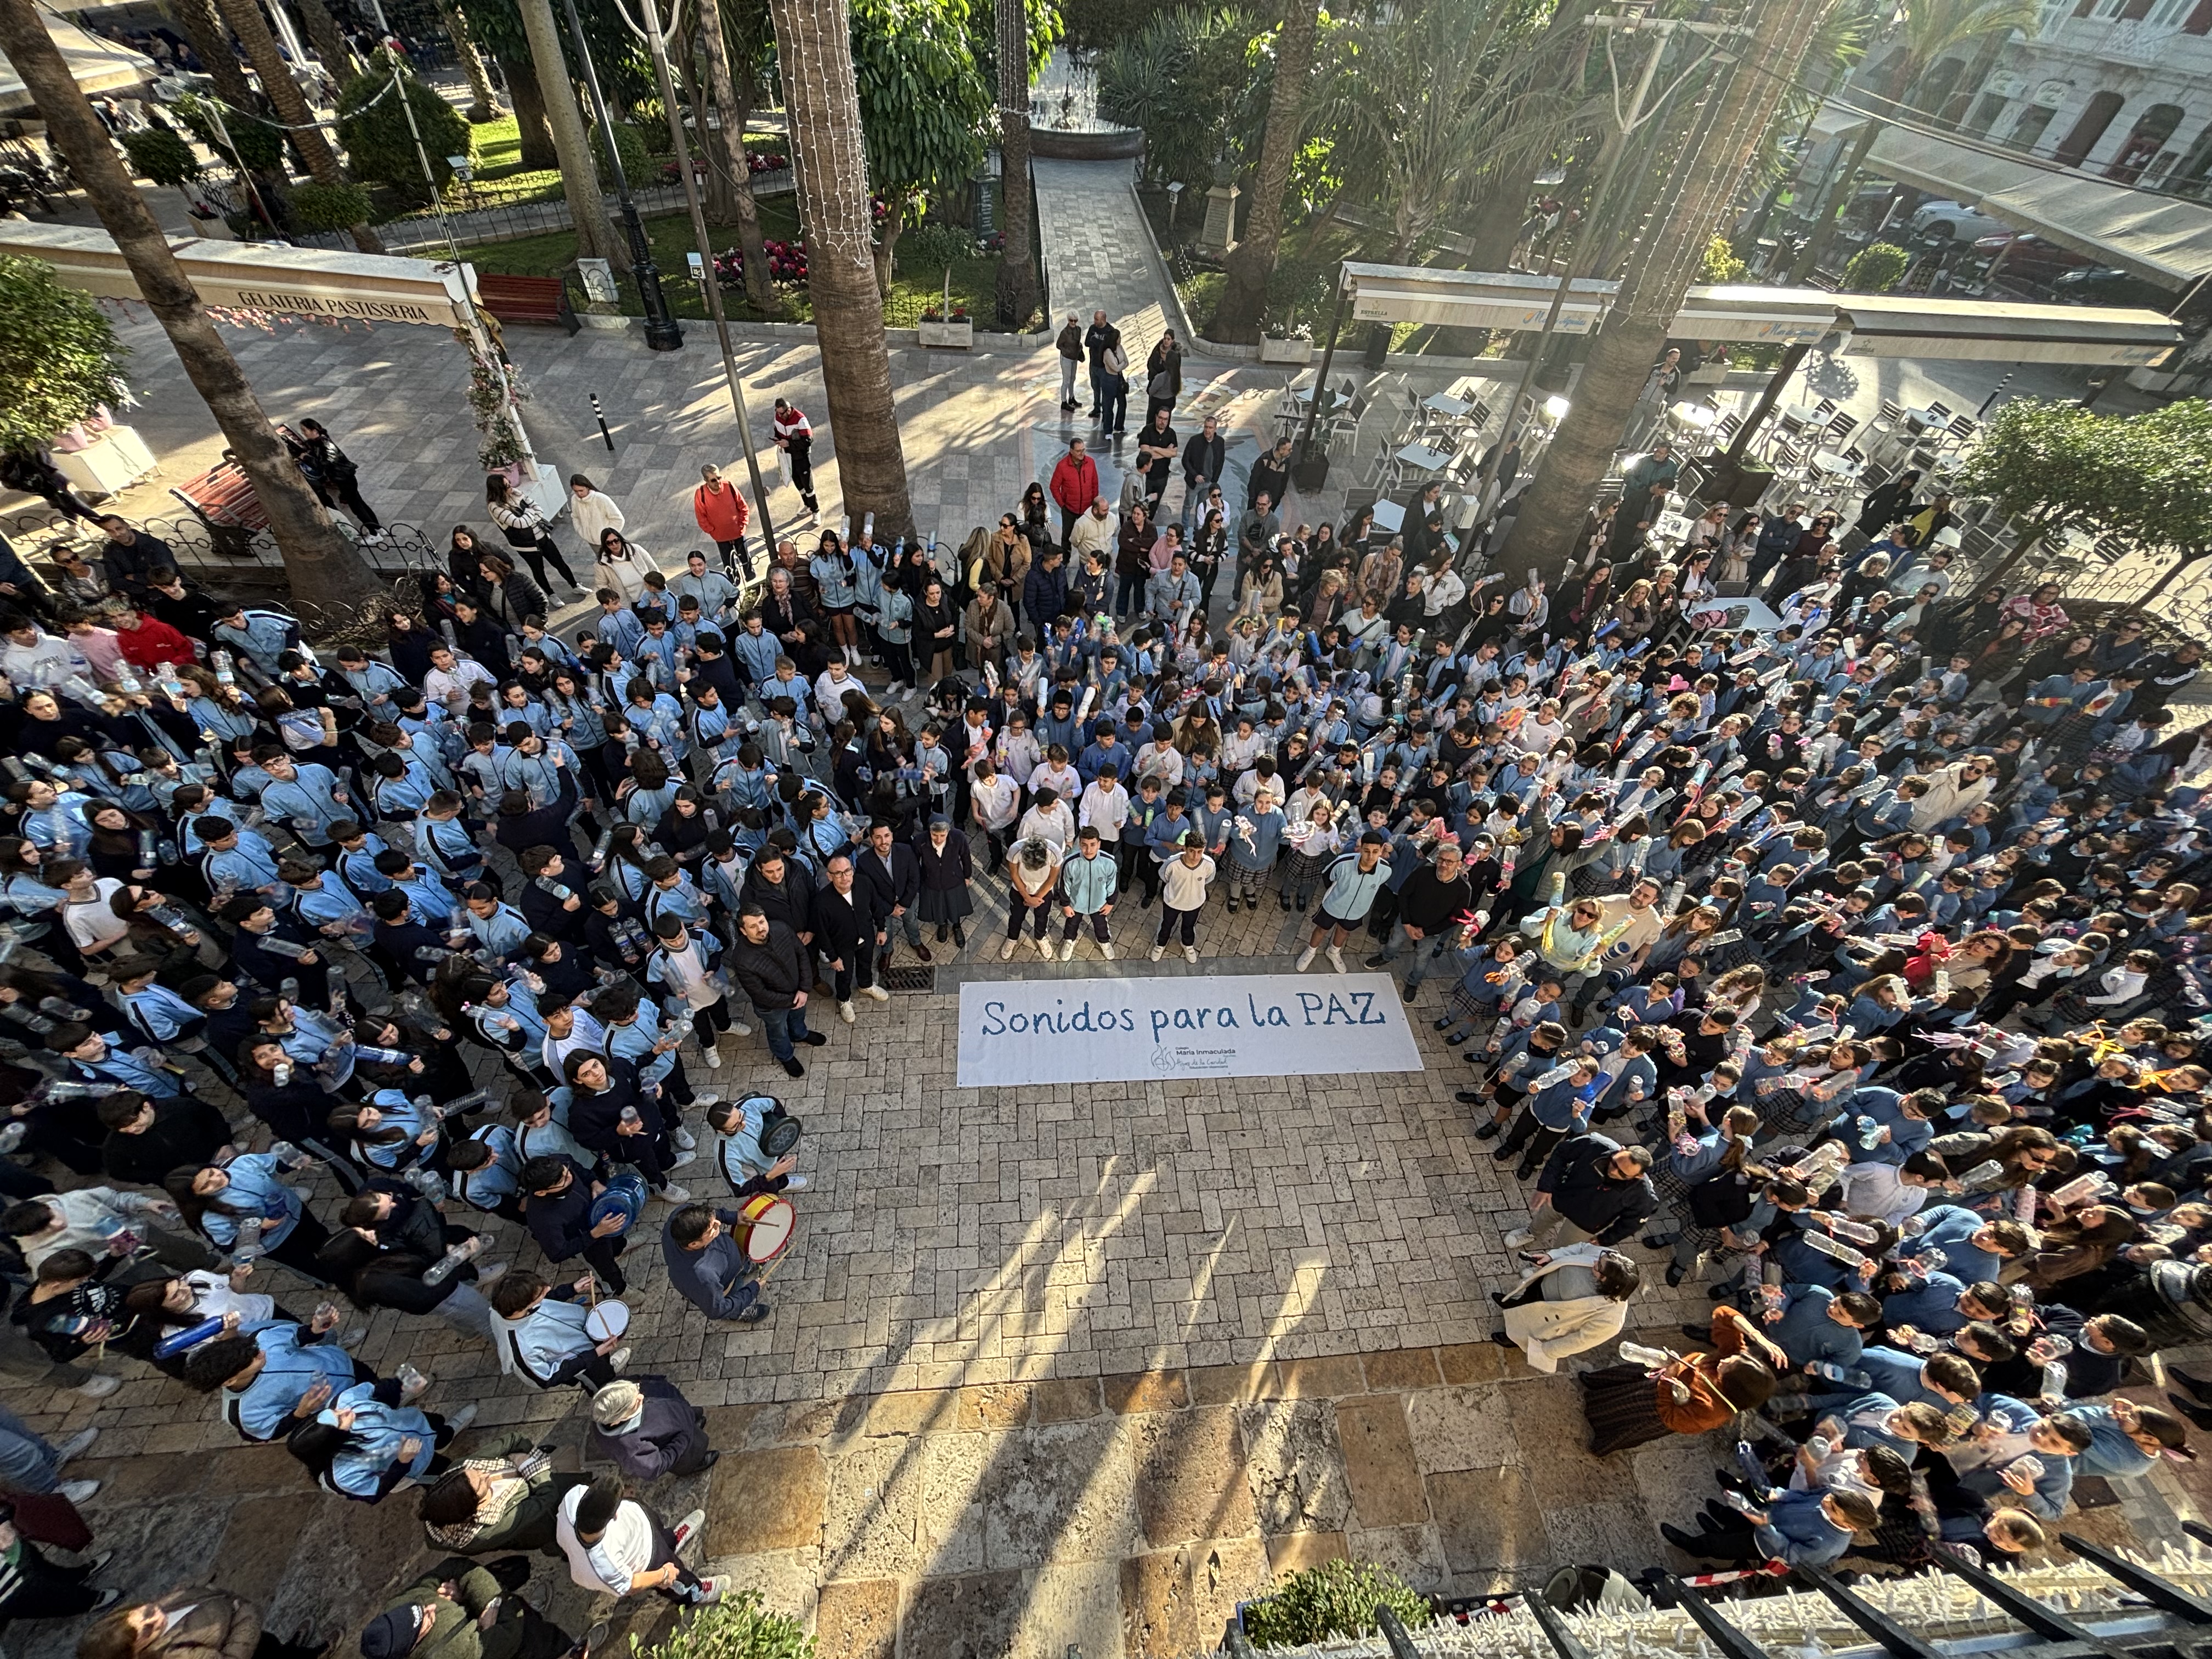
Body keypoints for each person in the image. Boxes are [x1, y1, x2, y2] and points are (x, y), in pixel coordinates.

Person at [555, 1475, 726, 1607]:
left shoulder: (572, 1498)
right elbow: (630, 1585)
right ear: (614, 1516)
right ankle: (694, 1592)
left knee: (663, 1537)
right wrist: (663, 1575)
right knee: (677, 1577)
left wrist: (621, 1497)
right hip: (647, 1560)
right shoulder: (603, 1566)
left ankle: (671, 1541)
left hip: (643, 1522)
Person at [1489, 1244, 1641, 1374]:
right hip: (1542, 1285)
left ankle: (1514, 1339)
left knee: (1527, 1325)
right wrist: (1551, 1257)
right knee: (1525, 1300)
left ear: (1608, 1283)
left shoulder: (1611, 1321)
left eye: (1599, 1267)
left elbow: (1579, 1341)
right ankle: (1514, 1305)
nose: (1594, 1262)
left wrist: (1547, 1350)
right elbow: (1583, 1247)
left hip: (1547, 1315)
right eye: (1600, 1260)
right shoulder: (1610, 1258)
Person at [725, 904, 824, 1079]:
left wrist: (804, 988)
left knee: (798, 1016)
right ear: (743, 930)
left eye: (761, 922)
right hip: (772, 1007)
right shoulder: (742, 959)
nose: (760, 929)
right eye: (753, 926)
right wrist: (793, 1000)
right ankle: (786, 1056)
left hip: (798, 992)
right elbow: (760, 993)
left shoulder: (781, 928)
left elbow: (801, 954)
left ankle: (799, 1034)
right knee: (777, 1032)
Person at [1295, 828, 1392, 974]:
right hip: (1333, 906)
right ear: (1360, 849)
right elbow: (1328, 877)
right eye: (1367, 851)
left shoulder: (1386, 870)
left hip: (1357, 911)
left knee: (1344, 931)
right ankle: (1311, 951)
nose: (1370, 856)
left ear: (1381, 851)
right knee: (1322, 929)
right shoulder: (1343, 863)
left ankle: (1333, 951)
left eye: (1375, 851)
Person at [585, 1377, 716, 1480]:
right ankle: (695, 1465)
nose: (642, 1396)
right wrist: (684, 1438)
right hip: (681, 1446)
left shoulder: (615, 1391)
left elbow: (637, 1379)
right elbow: (656, 1466)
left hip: (678, 1412)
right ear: (617, 1421)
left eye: (636, 1390)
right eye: (636, 1403)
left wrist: (657, 1380)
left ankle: (692, 1424)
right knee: (692, 1453)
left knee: (692, 1422)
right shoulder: (630, 1449)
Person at [661, 1203, 771, 1324]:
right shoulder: (702, 1277)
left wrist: (733, 1217)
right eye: (711, 1229)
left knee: (743, 1263)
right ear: (694, 1244)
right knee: (734, 1297)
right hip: (727, 1286)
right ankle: (741, 1312)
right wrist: (751, 1290)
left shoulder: (681, 1215)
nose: (718, 1224)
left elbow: (712, 1215)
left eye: (715, 1221)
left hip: (733, 1259)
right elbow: (718, 1310)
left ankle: (745, 1267)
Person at [485, 474, 580, 597]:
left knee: (559, 562)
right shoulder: (495, 508)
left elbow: (538, 508)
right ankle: (551, 595)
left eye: (509, 482)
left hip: (542, 535)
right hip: (526, 545)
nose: (511, 487)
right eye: (507, 485)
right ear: (499, 490)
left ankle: (575, 585)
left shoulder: (516, 493)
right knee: (538, 570)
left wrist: (529, 515)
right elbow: (520, 523)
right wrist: (530, 513)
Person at [291, 419, 383, 540]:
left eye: (305, 430)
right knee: (360, 503)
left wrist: (306, 458)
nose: (303, 433)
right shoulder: (318, 442)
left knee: (357, 507)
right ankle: (378, 528)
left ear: (314, 431)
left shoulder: (324, 444)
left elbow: (324, 463)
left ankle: (374, 534)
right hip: (345, 477)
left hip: (344, 478)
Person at [1148, 831, 1215, 963]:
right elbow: (1164, 876)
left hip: (1195, 903)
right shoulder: (1172, 863)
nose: (1196, 856)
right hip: (1173, 902)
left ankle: (1187, 944)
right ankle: (1161, 944)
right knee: (1166, 925)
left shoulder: (1209, 865)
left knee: (1189, 926)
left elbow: (1208, 879)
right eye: (1192, 851)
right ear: (1185, 848)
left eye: (1200, 852)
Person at [692, 464, 755, 581]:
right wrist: (712, 530)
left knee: (745, 556)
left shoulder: (729, 486)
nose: (718, 482)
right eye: (713, 480)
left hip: (738, 531)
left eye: (719, 478)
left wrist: (742, 523)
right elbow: (701, 516)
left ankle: (751, 577)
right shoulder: (701, 494)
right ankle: (733, 580)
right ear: (706, 481)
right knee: (728, 561)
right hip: (721, 536)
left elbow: (743, 506)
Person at [771, 400, 821, 519]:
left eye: (781, 413)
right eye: (777, 413)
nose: (779, 416)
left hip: (802, 457)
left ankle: (816, 510)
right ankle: (807, 505)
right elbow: (778, 431)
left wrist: (789, 443)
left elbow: (808, 441)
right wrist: (778, 439)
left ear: (788, 410)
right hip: (788, 457)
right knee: (799, 484)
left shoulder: (800, 420)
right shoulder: (778, 417)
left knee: (808, 485)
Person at [1054, 314, 1084, 410]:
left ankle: (1072, 398)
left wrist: (1079, 348)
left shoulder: (1078, 330)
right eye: (1071, 320)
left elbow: (1078, 341)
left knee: (1072, 379)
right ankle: (1064, 401)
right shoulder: (1065, 333)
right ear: (1068, 320)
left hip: (1074, 358)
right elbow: (1059, 345)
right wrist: (1066, 351)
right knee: (1066, 380)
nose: (1073, 323)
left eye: (1076, 320)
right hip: (1066, 358)